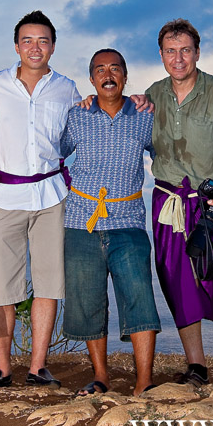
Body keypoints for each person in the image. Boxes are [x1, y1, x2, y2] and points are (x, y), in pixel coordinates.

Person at [146, 19, 213, 390]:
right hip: (167, 202)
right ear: (161, 54)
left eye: (185, 50)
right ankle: (197, 366)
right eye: (170, 51)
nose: (178, 59)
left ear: (197, 52)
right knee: (176, 279)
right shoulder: (153, 95)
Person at [0, 11, 81, 389]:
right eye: (27, 40)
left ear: (53, 45)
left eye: (43, 41)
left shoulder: (67, 89)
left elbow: (77, 135)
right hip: (5, 195)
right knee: (2, 286)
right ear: (16, 45)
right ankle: (2, 368)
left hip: (52, 195)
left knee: (50, 282)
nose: (35, 48)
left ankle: (38, 366)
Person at [60, 49, 160, 396]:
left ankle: (144, 381)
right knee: (88, 301)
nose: (108, 74)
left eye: (114, 68)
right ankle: (100, 376)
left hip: (129, 220)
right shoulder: (77, 115)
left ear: (125, 75)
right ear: (91, 79)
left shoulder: (145, 116)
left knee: (139, 296)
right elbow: (51, 151)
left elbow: (166, 154)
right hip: (80, 220)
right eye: (100, 69)